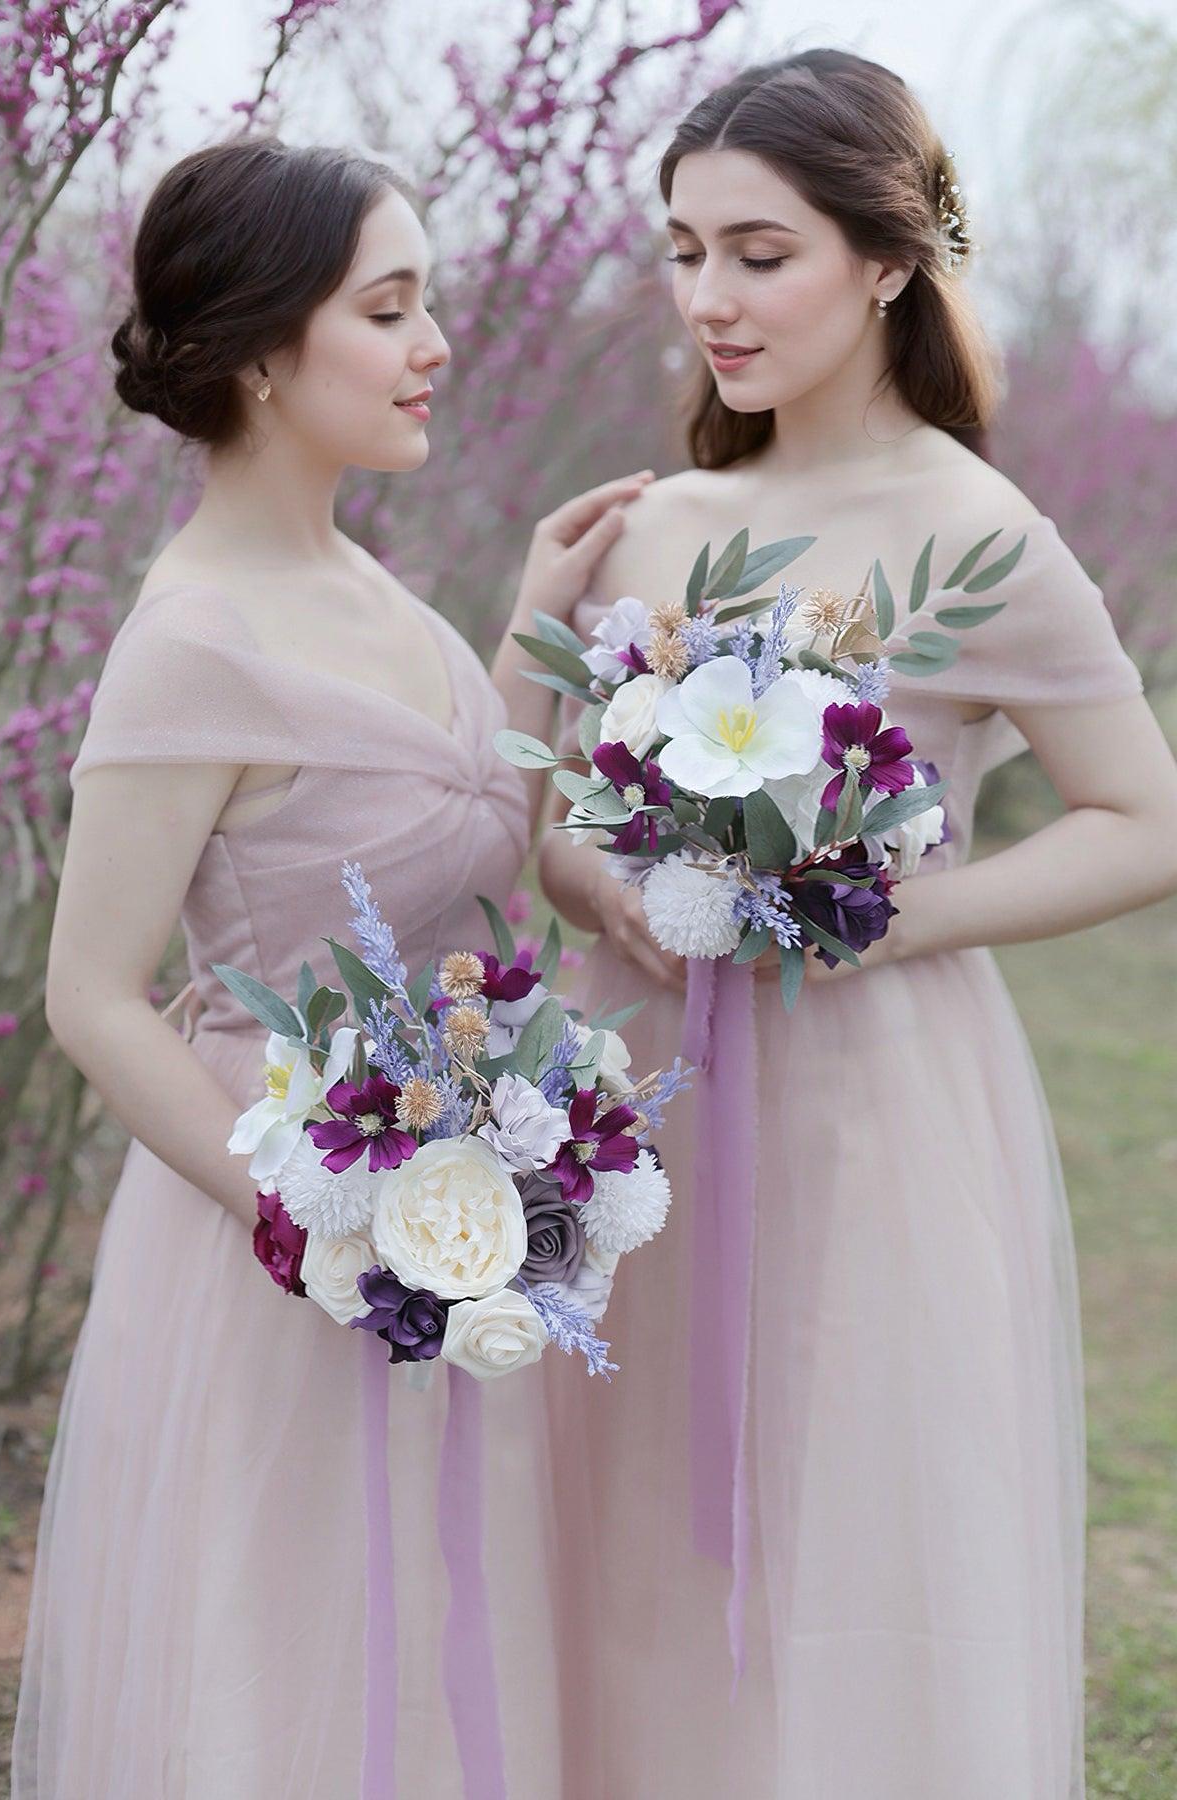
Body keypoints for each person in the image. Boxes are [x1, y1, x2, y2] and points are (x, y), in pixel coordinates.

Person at [538, 49, 1177, 1800]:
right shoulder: (651, 524)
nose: (708, 301)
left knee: (853, 1529)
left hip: (875, 1099)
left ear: (886, 260)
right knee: (638, 1531)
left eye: (760, 253)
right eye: (684, 253)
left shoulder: (982, 534)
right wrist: (611, 884)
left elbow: (1147, 822)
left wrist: (876, 919)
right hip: (636, 1095)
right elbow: (557, 831)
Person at [11, 136, 651, 1799]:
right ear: (259, 352)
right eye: (392, 307)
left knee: (432, 1654)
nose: (437, 342)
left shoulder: (370, 582)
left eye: (427, 301)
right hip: (276, 1245)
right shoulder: (193, 643)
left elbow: (466, 837)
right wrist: (303, 1215)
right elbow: (92, 994)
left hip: (445, 1226)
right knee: (293, 1673)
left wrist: (527, 620)